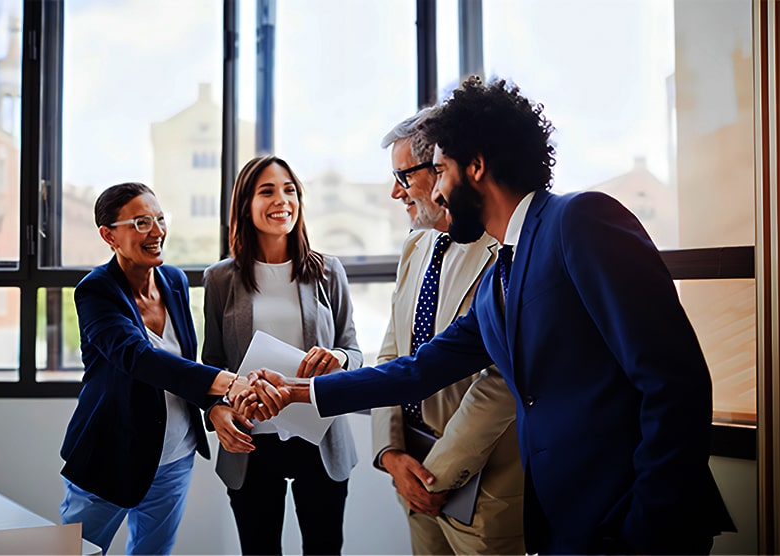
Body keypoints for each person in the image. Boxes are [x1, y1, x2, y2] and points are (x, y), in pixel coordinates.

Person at [251, 76, 730, 555]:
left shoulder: (580, 220)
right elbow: (418, 371)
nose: (437, 193)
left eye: (441, 171)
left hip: (632, 523)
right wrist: (298, 391)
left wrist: (647, 524)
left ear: (476, 167)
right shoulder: (503, 272)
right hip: (568, 525)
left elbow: (674, 382)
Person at [59, 182, 284, 555]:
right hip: (110, 456)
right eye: (141, 222)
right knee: (76, 552)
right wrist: (229, 383)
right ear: (109, 236)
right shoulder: (96, 291)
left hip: (174, 457)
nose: (157, 231)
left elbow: (183, 366)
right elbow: (137, 358)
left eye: (160, 219)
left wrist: (213, 405)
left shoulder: (174, 281)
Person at [373, 107, 524, 554]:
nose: (395, 192)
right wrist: (390, 453)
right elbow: (392, 354)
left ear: (443, 167)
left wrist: (435, 474)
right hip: (410, 470)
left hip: (482, 487)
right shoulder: (416, 244)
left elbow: (501, 381)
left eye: (403, 177)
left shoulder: (503, 249)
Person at [202, 155, 362, 556]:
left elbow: (354, 351)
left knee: (325, 550)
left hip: (319, 437)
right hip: (252, 441)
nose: (282, 200)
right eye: (267, 191)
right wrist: (216, 410)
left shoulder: (328, 271)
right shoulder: (220, 279)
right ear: (246, 205)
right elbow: (211, 365)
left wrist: (339, 358)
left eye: (289, 190)